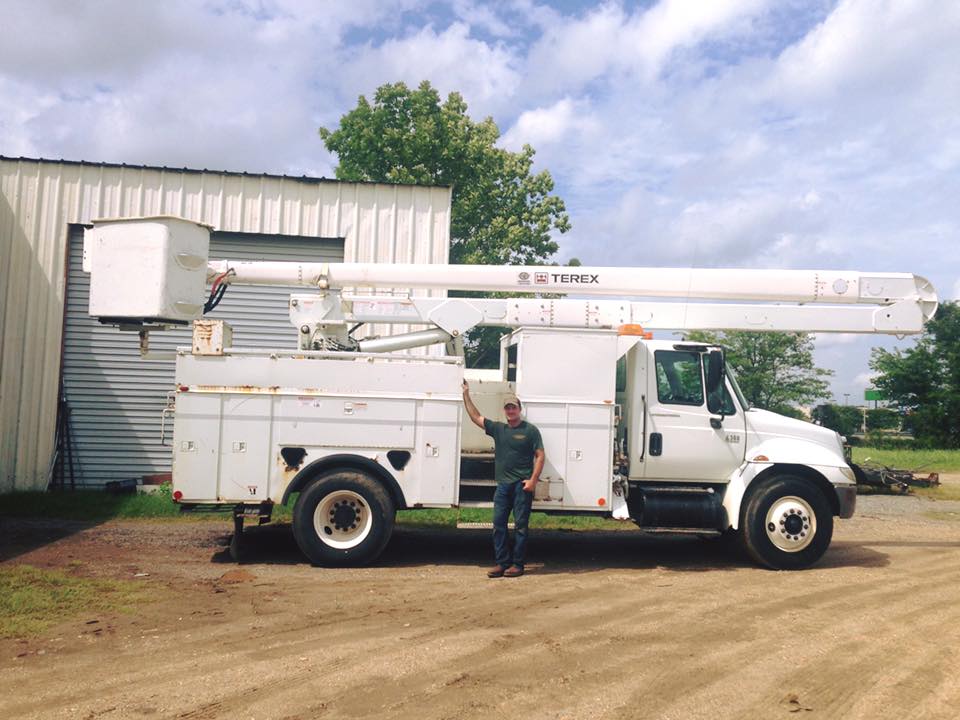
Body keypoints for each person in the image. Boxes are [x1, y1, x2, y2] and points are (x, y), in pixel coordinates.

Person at [462, 380, 545, 578]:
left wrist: (533, 480)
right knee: (498, 525)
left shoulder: (530, 431)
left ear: (519, 409)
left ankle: (517, 565)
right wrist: (466, 393)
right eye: (508, 408)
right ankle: (502, 563)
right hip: (503, 487)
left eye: (513, 407)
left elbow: (540, 455)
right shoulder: (498, 429)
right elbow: (475, 417)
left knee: (521, 527)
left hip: (521, 487)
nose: (510, 411)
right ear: (505, 410)